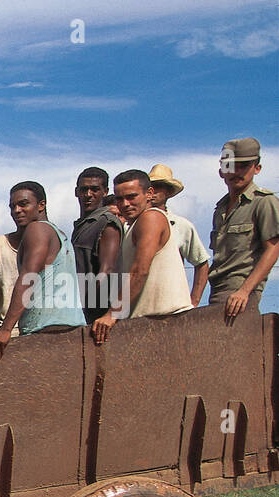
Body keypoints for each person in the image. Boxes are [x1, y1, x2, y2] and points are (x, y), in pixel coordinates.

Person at [0, 182, 85, 360]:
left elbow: (28, 278)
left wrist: (5, 329)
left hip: (47, 328)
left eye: (23, 204)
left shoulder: (37, 229)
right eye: (13, 206)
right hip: (70, 325)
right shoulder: (59, 234)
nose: (17, 210)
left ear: (41, 205)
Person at [91, 170, 193, 343]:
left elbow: (140, 270)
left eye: (132, 197)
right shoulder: (133, 226)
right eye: (119, 199)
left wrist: (113, 313)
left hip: (167, 320)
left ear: (149, 193)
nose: (125, 204)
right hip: (149, 322)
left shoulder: (151, 217)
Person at [207, 137, 279, 321]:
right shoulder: (220, 208)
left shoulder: (263, 202)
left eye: (244, 166)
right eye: (230, 165)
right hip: (217, 291)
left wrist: (244, 291)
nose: (236, 172)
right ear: (221, 171)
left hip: (240, 293)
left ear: (257, 168)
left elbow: (273, 248)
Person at [148, 164, 209, 306]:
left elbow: (202, 263)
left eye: (158, 186)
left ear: (168, 192)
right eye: (149, 187)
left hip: (171, 303)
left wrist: (193, 302)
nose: (152, 191)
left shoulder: (181, 225)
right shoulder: (131, 226)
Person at [71, 167, 123, 324]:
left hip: (99, 315)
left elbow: (107, 270)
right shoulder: (83, 226)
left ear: (105, 192)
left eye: (94, 189)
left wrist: (90, 310)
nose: (88, 195)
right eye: (83, 189)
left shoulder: (107, 222)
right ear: (76, 192)